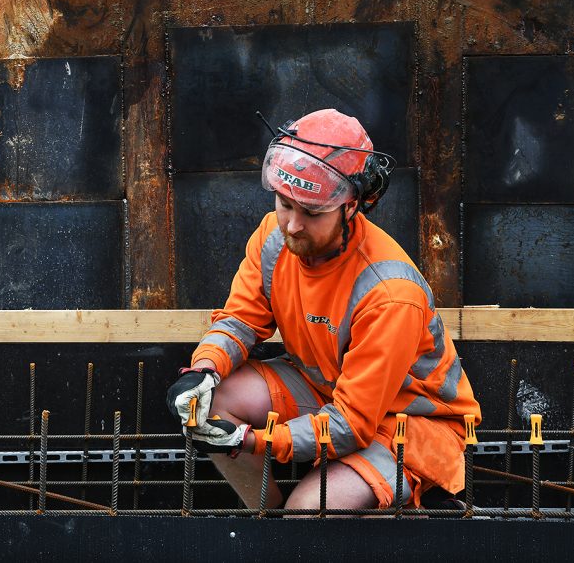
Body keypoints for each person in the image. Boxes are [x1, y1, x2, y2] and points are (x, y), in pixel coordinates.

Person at [166, 108, 480, 513]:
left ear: (352, 207)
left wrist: (252, 440)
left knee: (308, 510)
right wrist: (203, 370)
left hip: (408, 420)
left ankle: (301, 527)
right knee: (211, 400)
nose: (292, 225)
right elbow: (241, 320)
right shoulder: (274, 238)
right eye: (284, 204)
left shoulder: (389, 293)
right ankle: (269, 522)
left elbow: (351, 423)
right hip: (327, 386)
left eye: (312, 213)